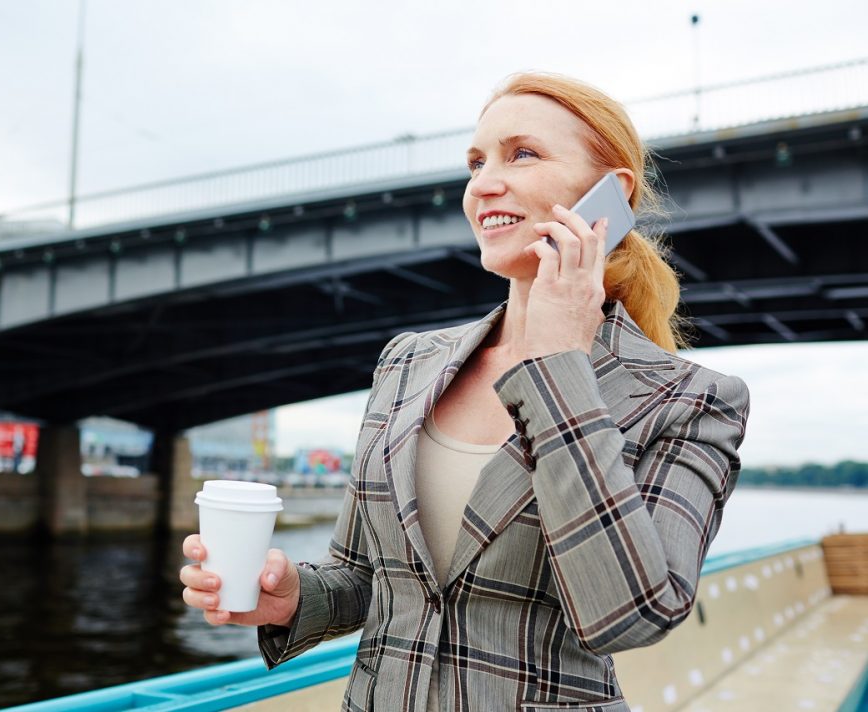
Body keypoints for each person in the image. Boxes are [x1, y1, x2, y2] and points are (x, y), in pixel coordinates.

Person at [179, 71, 750, 711]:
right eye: (476, 163)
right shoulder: (408, 363)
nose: (483, 184)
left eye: (522, 154)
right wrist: (291, 598)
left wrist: (558, 362)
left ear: (608, 198)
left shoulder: (689, 397)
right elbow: (366, 577)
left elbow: (630, 613)